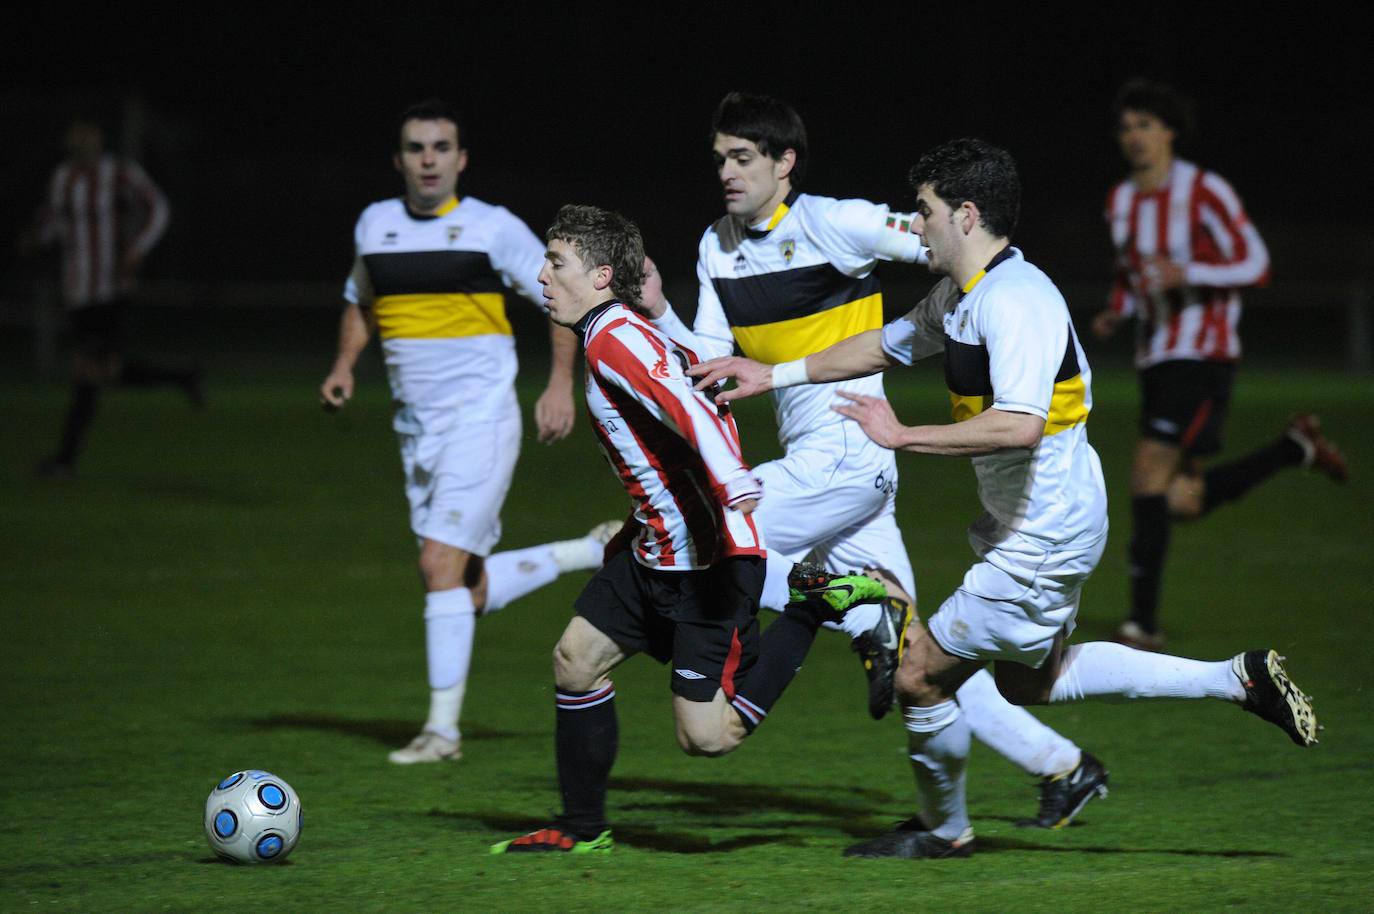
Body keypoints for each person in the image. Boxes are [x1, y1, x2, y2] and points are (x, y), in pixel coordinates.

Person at [691, 138, 1318, 859]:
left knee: (918, 672)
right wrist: (774, 375)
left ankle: (943, 830)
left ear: (964, 214)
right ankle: (1238, 680)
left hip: (1042, 528)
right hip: (1041, 517)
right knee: (1033, 682)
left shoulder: (1018, 301)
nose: (913, 225)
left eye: (923, 211)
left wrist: (902, 436)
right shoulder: (962, 295)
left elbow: (1020, 425)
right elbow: (882, 344)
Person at [642, 92, 1107, 828]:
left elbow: (950, 247)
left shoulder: (838, 221)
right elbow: (713, 360)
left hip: (851, 452)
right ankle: (1061, 766)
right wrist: (660, 308)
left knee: (710, 535)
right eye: (719, 158)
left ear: (784, 162)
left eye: (743, 158)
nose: (726, 172)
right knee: (922, 655)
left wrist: (1008, 299)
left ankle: (840, 611)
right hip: (826, 460)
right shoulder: (716, 245)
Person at [490, 204, 882, 855]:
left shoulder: (617, 337)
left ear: (600, 274)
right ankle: (581, 828)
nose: (542, 275)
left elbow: (687, 408)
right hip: (655, 554)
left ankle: (812, 606)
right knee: (575, 660)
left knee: (707, 738)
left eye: (556, 263)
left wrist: (731, 478)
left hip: (709, 566)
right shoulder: (610, 333)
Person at [320, 99, 614, 765]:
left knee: (437, 565)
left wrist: (560, 384)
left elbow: (558, 298)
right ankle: (587, 553)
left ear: (460, 159)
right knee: (459, 586)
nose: (429, 159)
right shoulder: (376, 226)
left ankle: (442, 734)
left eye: (441, 147)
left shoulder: (491, 228)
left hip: (480, 419)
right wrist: (343, 365)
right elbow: (359, 301)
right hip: (415, 431)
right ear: (400, 160)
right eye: (417, 148)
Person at [1093, 79, 1348, 650]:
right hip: (1155, 356)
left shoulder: (1204, 191)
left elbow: (1256, 263)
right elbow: (1133, 274)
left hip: (1202, 355)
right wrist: (1118, 311)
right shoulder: (1121, 200)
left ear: (1170, 132)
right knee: (1179, 501)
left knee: (1145, 477)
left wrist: (1191, 274)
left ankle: (1142, 625)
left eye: (1146, 125)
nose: (1135, 137)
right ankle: (1293, 448)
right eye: (1127, 127)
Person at [24, 118, 202, 478]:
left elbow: (158, 208)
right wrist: (36, 237)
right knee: (107, 371)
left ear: (99, 141)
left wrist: (137, 248)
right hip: (77, 290)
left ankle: (65, 461)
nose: (83, 143)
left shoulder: (119, 173)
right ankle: (181, 377)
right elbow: (57, 221)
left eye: (89, 136)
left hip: (111, 288)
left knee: (87, 371)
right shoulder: (62, 178)